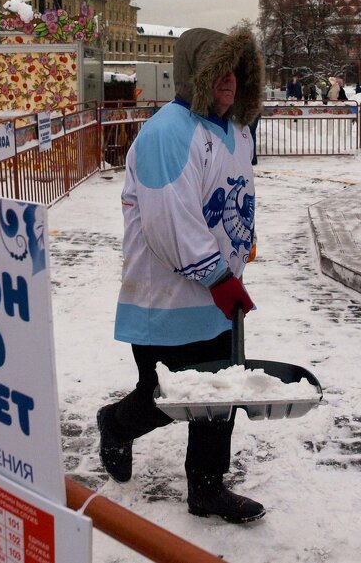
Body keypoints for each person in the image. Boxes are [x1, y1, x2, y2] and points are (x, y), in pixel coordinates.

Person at [97, 26, 266, 523]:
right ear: (197, 73)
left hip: (218, 294)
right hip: (167, 298)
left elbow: (232, 195)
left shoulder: (236, 132)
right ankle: (116, 424)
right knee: (167, 396)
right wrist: (219, 276)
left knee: (218, 395)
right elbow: (170, 220)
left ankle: (207, 488)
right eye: (220, 70)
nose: (230, 81)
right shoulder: (168, 133)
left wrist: (241, 247)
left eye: (238, 70)